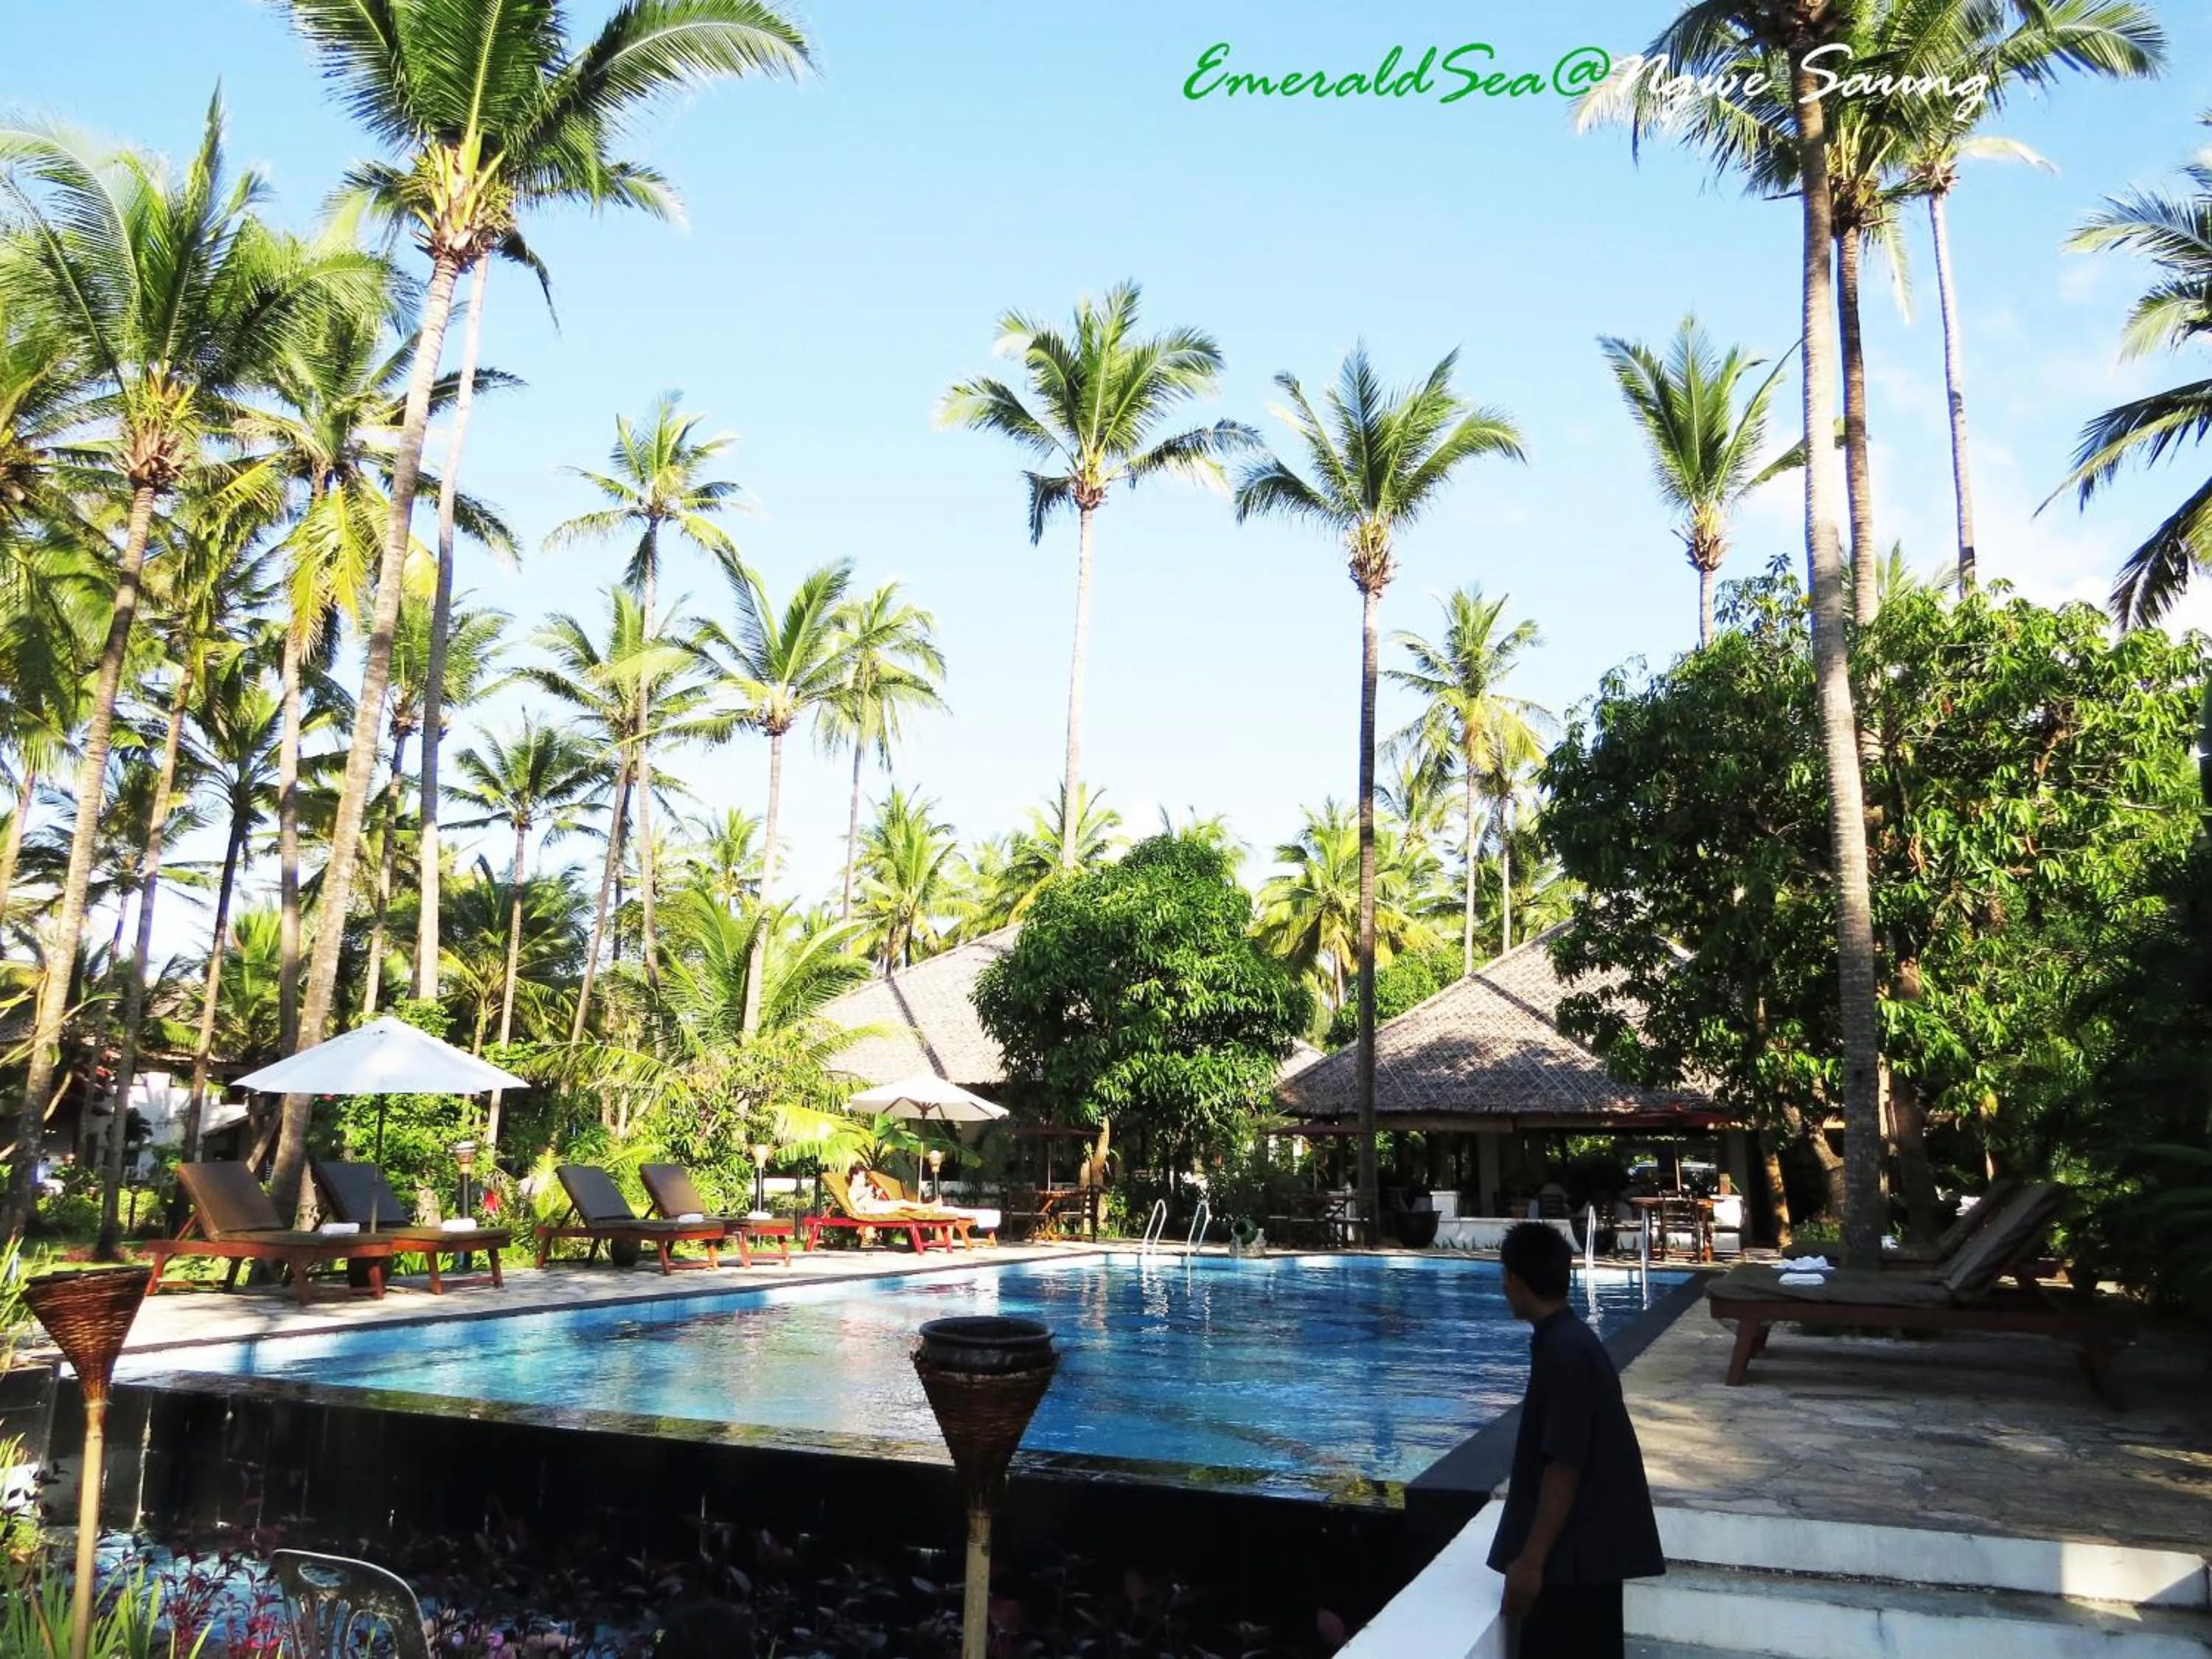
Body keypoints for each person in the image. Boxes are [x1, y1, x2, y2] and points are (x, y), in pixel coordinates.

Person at [1488, 1222, 1664, 1658]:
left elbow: (1564, 1465)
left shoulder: (1565, 1352)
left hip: (1576, 1565)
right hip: (1585, 1556)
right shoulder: (1568, 1340)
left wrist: (1530, 1562)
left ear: (1513, 1278)